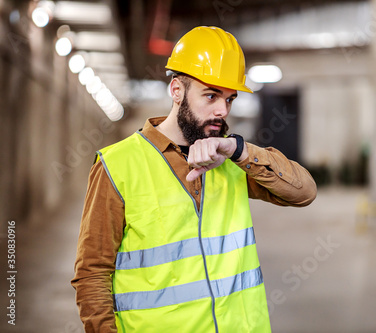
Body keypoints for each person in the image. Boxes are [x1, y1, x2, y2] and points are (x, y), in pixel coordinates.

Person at [71, 26, 317, 333]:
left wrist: (238, 149)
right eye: (211, 95)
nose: (221, 110)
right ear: (176, 90)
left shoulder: (232, 161)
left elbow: (304, 192)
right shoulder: (118, 164)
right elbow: (93, 272)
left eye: (229, 99)